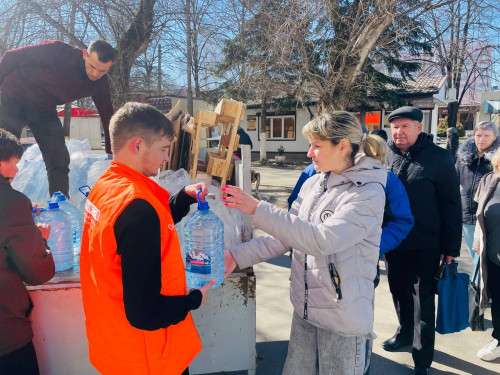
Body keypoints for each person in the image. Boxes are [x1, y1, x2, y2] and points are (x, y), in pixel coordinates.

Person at [224, 111, 387, 374]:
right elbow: (286, 235)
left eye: (317, 146)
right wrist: (235, 256)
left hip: (341, 316)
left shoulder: (367, 191)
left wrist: (258, 209)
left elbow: (321, 240)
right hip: (305, 309)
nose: (309, 153)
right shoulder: (314, 182)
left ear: (342, 145)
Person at [79, 102, 216, 375]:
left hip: (116, 344)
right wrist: (193, 300)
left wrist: (183, 198)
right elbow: (146, 313)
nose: (166, 158)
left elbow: (141, 229)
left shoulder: (107, 186)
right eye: (164, 149)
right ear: (138, 145)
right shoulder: (137, 207)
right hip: (149, 357)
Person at [383, 106, 462, 375]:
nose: (399, 131)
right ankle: (404, 334)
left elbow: (452, 204)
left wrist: (450, 247)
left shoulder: (439, 158)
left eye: (405, 126)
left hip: (425, 244)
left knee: (422, 302)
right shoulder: (385, 155)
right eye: (395, 126)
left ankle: (421, 359)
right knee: (397, 291)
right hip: (393, 242)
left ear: (419, 127)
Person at [0, 39, 115, 198]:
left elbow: (108, 114)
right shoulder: (58, 51)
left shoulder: (100, 83)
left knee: (59, 157)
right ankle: (3, 202)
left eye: (102, 71)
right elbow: (11, 57)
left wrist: (112, 151)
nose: (95, 74)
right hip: (14, 98)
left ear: (110, 66)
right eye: (92, 66)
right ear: (84, 55)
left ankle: (60, 205)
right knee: (4, 152)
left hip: (43, 109)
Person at [0, 129, 55, 375]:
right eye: (14, 163)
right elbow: (36, 272)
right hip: (6, 336)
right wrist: (42, 240)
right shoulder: (10, 201)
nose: (17, 170)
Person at [455, 121, 499, 283]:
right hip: (467, 215)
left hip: (489, 217)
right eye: (478, 135)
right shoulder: (464, 158)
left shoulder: (496, 160)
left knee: (483, 256)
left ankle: (478, 291)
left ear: (494, 137)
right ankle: (479, 290)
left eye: (486, 135)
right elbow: (455, 180)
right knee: (475, 255)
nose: (481, 139)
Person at [473, 148, 500, 361]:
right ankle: (499, 339)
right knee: (498, 300)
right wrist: (477, 243)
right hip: (492, 256)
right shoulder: (490, 180)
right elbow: (479, 215)